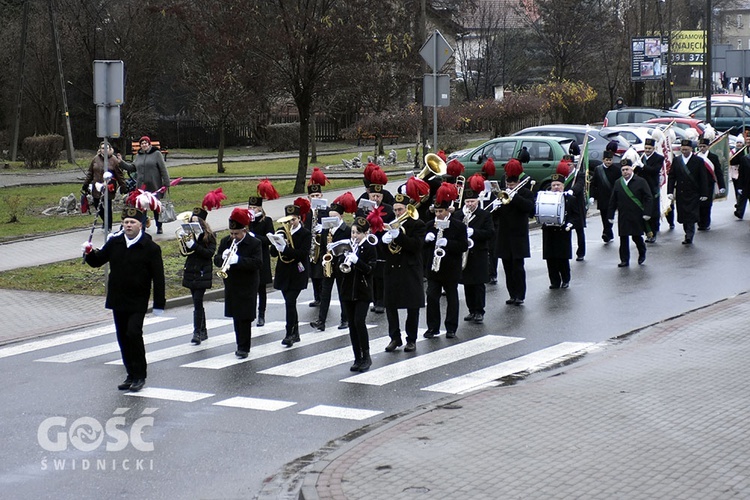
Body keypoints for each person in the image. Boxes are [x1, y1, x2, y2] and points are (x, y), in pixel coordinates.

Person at [82, 206, 165, 392]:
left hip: (138, 299)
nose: (128, 225)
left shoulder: (150, 248)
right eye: (126, 222)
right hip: (118, 298)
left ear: (140, 225)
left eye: (132, 222)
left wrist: (159, 303)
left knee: (133, 333)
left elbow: (159, 278)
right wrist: (89, 253)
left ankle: (140, 375)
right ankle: (130, 374)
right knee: (122, 337)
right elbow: (98, 261)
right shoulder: (115, 242)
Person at [214, 208, 262, 358]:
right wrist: (223, 257)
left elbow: (257, 263)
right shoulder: (225, 241)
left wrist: (237, 260)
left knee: (245, 317)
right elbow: (216, 260)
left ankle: (244, 347)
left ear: (244, 230)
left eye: (236, 234)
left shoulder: (254, 243)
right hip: (233, 283)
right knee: (236, 315)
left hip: (248, 284)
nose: (233, 237)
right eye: (231, 233)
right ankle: (239, 343)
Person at [382, 193, 427, 353]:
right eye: (395, 210)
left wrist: (399, 236)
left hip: (410, 269)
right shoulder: (389, 224)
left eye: (400, 209)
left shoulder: (418, 224)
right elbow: (383, 251)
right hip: (392, 269)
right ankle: (394, 338)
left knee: (412, 306)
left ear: (408, 209)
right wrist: (383, 241)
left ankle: (411, 339)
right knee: (390, 306)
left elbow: (416, 246)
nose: (397, 213)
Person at [423, 183, 468, 339]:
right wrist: (427, 240)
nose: (438, 215)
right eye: (436, 212)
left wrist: (448, 243)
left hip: (450, 268)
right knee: (431, 297)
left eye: (440, 211)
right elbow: (423, 247)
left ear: (448, 210)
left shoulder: (458, 226)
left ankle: (451, 327)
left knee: (452, 298)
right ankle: (433, 327)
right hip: (434, 269)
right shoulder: (430, 225)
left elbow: (463, 246)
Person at [269, 201, 312, 347]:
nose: (290, 222)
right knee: (290, 302)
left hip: (297, 272)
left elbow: (302, 254)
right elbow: (273, 253)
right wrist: (276, 244)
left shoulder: (305, 233)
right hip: (284, 271)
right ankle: (296, 333)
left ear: (299, 219)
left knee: (290, 301)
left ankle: (289, 333)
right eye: (288, 219)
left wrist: (285, 249)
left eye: (293, 219)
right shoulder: (281, 231)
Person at [493, 159, 535, 305]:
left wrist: (515, 197)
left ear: (517, 183)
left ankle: (520, 295)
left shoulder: (525, 193)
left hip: (518, 235)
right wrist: (496, 206)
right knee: (507, 267)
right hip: (504, 235)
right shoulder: (502, 194)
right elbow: (494, 216)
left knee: (518, 267)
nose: (509, 187)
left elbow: (529, 208)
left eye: (512, 184)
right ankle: (512, 294)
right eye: (507, 184)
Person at [338, 217, 377, 372]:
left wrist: (357, 261)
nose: (354, 236)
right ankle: (357, 357)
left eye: (358, 233)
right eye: (353, 232)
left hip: (362, 291)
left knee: (359, 321)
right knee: (352, 326)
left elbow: (370, 270)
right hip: (348, 291)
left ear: (365, 233)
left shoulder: (369, 248)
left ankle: (366, 356)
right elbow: (340, 269)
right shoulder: (347, 246)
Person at [311, 195, 353, 331]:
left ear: (341, 216)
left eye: (334, 216)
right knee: (325, 293)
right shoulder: (326, 229)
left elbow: (349, 248)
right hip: (328, 265)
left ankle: (345, 318)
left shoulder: (346, 230)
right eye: (330, 216)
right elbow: (322, 247)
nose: (331, 219)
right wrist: (324, 258)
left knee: (342, 292)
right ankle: (321, 321)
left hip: (340, 264)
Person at [456, 175, 494, 323]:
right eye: (467, 202)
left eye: (472, 201)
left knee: (478, 284)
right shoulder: (459, 215)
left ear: (477, 201)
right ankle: (471, 310)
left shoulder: (484, 215)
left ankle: (479, 311)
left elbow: (490, 233)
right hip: (464, 254)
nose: (470, 204)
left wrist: (474, 233)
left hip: (479, 253)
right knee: (467, 284)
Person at [180, 205, 217, 345]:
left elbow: (209, 254)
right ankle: (203, 330)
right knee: (197, 302)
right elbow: (184, 253)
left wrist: (194, 245)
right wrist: (185, 243)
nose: (193, 224)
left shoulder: (210, 236)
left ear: (202, 223)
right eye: (191, 221)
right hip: (191, 270)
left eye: (196, 221)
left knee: (197, 300)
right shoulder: (190, 234)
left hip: (203, 271)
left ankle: (196, 332)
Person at [608, 159, 653, 267]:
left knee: (636, 237)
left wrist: (647, 213)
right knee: (623, 238)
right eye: (623, 170)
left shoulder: (641, 181)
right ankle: (624, 260)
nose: (625, 172)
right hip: (623, 215)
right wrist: (610, 215)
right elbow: (613, 200)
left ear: (632, 169)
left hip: (637, 215)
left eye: (627, 169)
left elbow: (648, 198)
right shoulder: (618, 183)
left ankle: (642, 252)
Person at [248, 179, 279, 327]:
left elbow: (269, 239)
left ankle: (262, 314)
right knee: (250, 288)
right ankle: (251, 313)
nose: (253, 210)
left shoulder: (267, 221)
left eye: (255, 207)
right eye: (250, 207)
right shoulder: (247, 221)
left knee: (261, 288)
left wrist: (255, 237)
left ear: (260, 209)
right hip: (249, 257)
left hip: (262, 257)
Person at [668, 139, 709, 245]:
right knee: (683, 215)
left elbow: (703, 178)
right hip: (681, 193)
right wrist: (670, 191)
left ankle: (689, 236)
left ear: (691, 149)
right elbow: (672, 177)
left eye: (686, 149)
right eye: (683, 149)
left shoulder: (698, 160)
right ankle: (687, 232)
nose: (684, 151)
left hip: (693, 193)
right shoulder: (677, 160)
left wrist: (704, 193)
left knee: (691, 215)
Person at [82, 142, 130, 230]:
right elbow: (90, 173)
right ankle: (105, 220)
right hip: (97, 186)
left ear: (110, 149)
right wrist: (86, 184)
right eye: (103, 148)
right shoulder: (95, 159)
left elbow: (119, 175)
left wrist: (123, 186)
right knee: (97, 205)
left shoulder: (113, 160)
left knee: (107, 205)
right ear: (100, 149)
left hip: (109, 186)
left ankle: (109, 226)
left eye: (106, 148)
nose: (104, 150)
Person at [130, 136, 170, 234]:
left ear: (149, 144)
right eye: (142, 143)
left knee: (155, 207)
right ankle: (142, 228)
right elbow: (132, 168)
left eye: (145, 143)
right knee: (142, 208)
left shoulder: (156, 154)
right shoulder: (138, 156)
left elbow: (163, 169)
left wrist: (167, 183)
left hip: (154, 186)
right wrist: (120, 162)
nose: (144, 145)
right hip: (142, 188)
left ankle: (159, 226)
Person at [306, 168, 328, 308]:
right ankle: (316, 297)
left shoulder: (326, 210)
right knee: (313, 273)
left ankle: (323, 297)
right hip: (311, 245)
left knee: (321, 273)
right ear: (309, 198)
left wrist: (323, 228)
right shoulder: (306, 212)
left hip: (323, 245)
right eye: (313, 196)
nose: (315, 198)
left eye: (318, 195)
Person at [636, 137, 665, 242]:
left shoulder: (659, 158)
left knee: (653, 212)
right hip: (642, 189)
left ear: (654, 148)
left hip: (652, 188)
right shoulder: (641, 157)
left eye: (649, 148)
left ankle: (654, 232)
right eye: (646, 148)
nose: (647, 150)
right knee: (643, 211)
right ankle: (647, 232)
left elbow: (654, 170)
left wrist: (643, 166)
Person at [589, 151, 622, 242]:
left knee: (609, 216)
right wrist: (592, 196)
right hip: (602, 197)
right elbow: (593, 184)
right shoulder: (598, 169)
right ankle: (608, 233)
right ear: (603, 160)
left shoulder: (616, 169)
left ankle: (606, 233)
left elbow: (619, 183)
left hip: (612, 197)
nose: (608, 162)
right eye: (607, 160)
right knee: (604, 217)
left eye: (610, 160)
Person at [697, 138, 726, 231]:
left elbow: (718, 172)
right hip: (698, 185)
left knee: (707, 204)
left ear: (708, 147)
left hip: (709, 184)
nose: (702, 148)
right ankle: (699, 221)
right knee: (699, 204)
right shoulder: (696, 156)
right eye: (700, 146)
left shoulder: (713, 157)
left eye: (704, 146)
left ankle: (705, 223)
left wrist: (722, 186)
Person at [729, 135, 747, 219]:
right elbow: (731, 161)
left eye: (740, 143)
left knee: (743, 193)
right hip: (735, 173)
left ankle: (739, 207)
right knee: (738, 191)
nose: (739, 144)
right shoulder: (733, 151)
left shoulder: (745, 151)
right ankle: (739, 208)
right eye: (738, 142)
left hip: (745, 174)